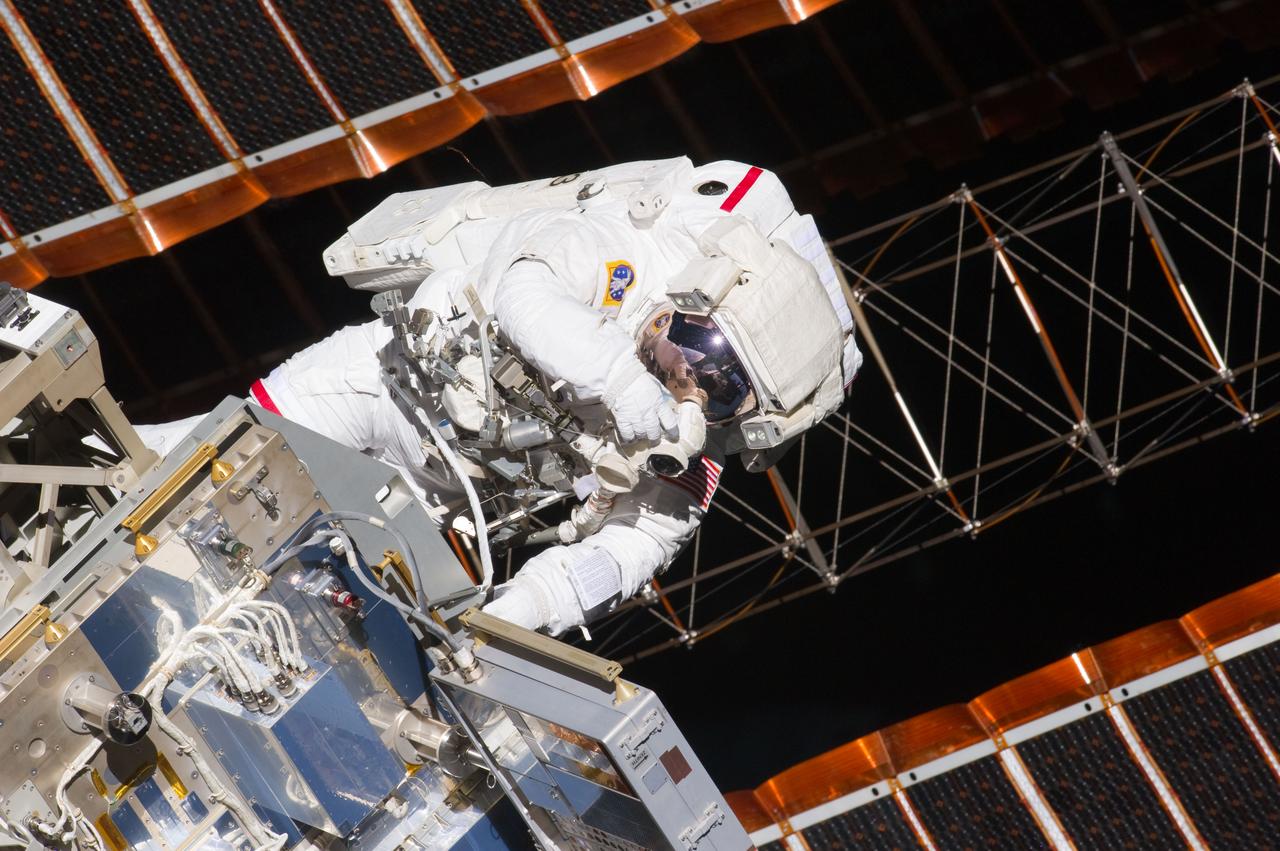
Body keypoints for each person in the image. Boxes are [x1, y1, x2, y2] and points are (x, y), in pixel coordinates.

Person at [139, 158, 861, 637]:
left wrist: (527, 611)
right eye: (700, 353)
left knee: (309, 622)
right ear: (696, 299)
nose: (690, 383)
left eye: (722, 390)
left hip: (437, 505)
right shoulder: (627, 254)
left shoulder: (687, 459)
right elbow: (525, 292)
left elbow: (633, 548)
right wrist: (620, 384)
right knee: (195, 462)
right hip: (382, 387)